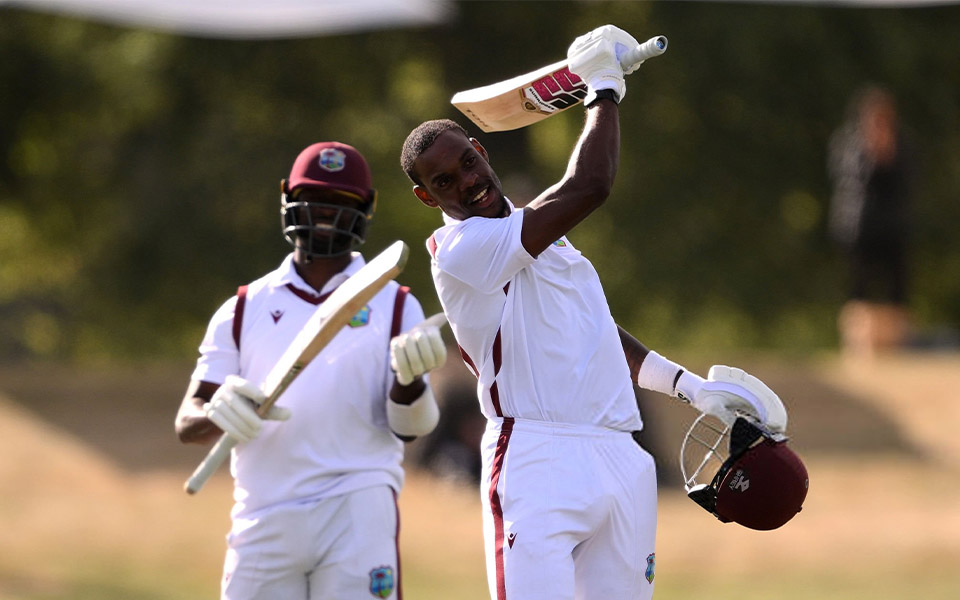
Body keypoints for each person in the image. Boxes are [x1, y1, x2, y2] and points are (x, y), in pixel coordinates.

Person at [400, 25, 788, 600]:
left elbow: (598, 334)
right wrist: (602, 91)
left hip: (619, 453)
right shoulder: (458, 250)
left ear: (481, 151)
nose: (468, 184)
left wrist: (691, 388)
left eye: (467, 163)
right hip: (535, 455)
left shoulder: (544, 236)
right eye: (445, 182)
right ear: (428, 198)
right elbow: (591, 184)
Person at [175, 141, 447, 600]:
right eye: (315, 198)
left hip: (357, 503)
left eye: (341, 202)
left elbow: (411, 428)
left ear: (367, 207)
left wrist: (410, 380)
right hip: (263, 509)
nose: (325, 212)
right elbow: (188, 423)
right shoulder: (244, 308)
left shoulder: (395, 303)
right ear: (288, 195)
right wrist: (217, 412)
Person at [828, 85, 914, 357]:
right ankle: (860, 348)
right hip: (859, 227)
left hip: (893, 227)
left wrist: (889, 155)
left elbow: (910, 182)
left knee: (896, 287)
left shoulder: (902, 144)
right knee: (859, 287)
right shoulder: (849, 143)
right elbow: (849, 181)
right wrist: (872, 155)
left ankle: (895, 346)